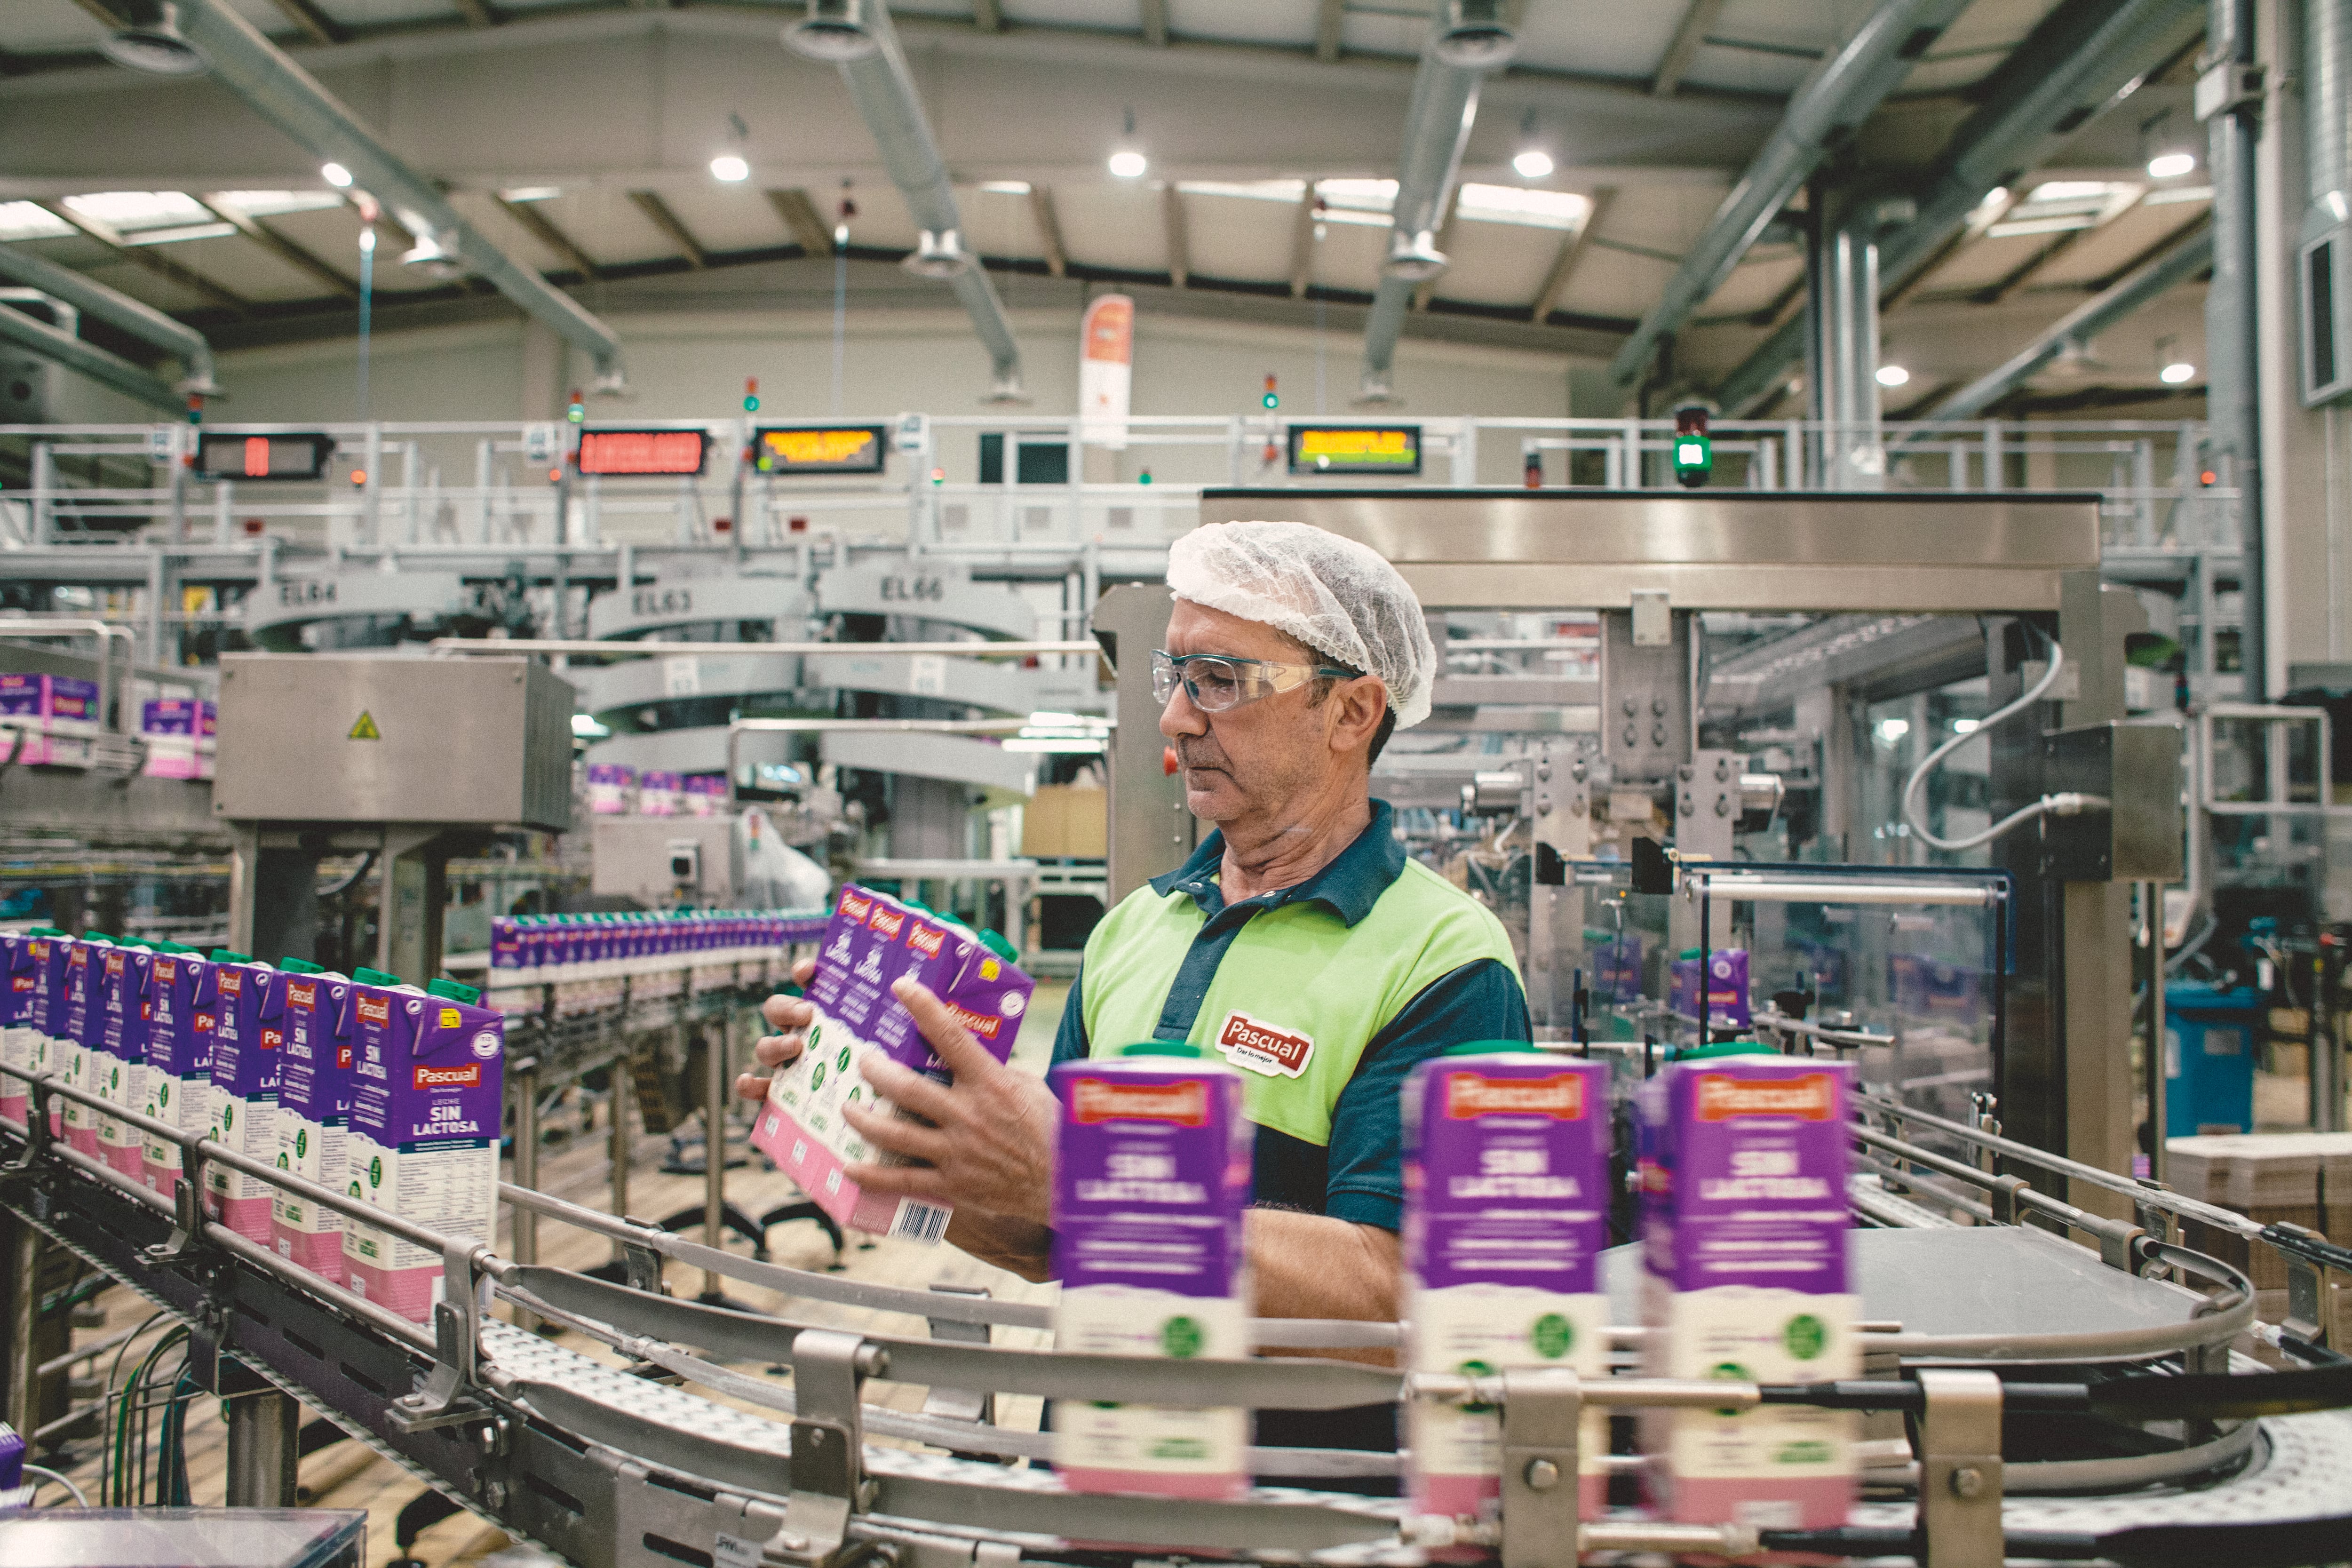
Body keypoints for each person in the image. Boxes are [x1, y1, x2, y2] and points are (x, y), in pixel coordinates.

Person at [735, 519, 1529, 1465]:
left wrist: (1084, 1175)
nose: (1176, 717)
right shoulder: (1133, 932)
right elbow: (1048, 1237)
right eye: (1175, 676)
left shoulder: (1443, 958)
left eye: (1221, 680)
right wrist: (894, 1137)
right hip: (1097, 1482)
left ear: (1350, 713)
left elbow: (1408, 1299)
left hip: (1298, 1512)